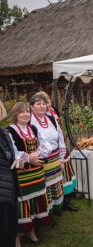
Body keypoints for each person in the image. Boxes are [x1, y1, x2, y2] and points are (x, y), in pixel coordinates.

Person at [7, 102, 52, 246]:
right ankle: (22, 232)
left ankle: (32, 228)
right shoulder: (9, 131)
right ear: (15, 114)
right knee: (23, 203)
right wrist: (28, 158)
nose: (26, 114)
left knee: (35, 201)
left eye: (27, 111)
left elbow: (46, 146)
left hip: (37, 172)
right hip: (22, 175)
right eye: (22, 112)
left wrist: (36, 153)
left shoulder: (33, 128)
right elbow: (11, 152)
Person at [36, 91, 79, 212]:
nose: (46, 105)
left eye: (47, 102)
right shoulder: (40, 118)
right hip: (51, 153)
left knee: (66, 176)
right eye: (43, 103)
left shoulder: (54, 111)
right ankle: (60, 202)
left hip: (61, 148)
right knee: (57, 178)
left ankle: (67, 199)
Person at [29, 93, 65, 214]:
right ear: (32, 107)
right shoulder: (28, 121)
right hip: (41, 160)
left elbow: (60, 137)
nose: (42, 106)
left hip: (55, 158)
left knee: (55, 184)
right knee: (44, 187)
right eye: (38, 104)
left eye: (44, 104)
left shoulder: (51, 118)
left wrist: (61, 158)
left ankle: (56, 208)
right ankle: (45, 212)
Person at [0, 99, 20, 247]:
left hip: (10, 188)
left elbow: (11, 158)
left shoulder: (4, 134)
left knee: (9, 228)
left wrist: (18, 161)